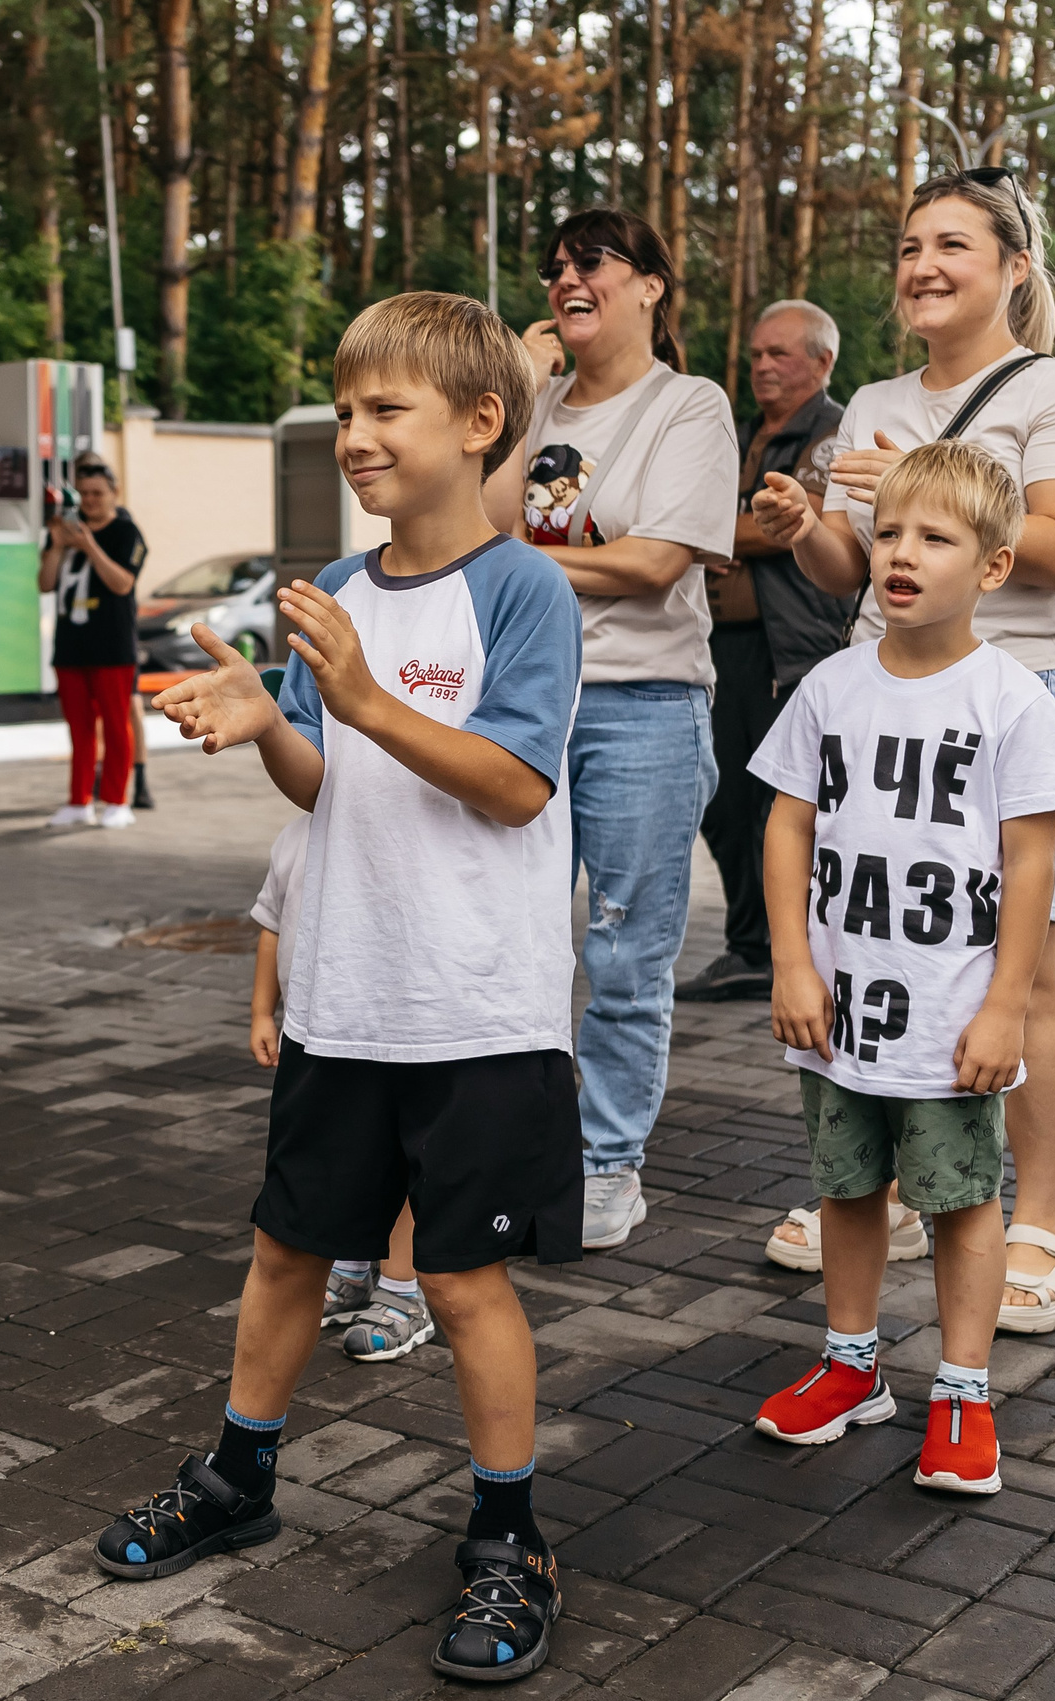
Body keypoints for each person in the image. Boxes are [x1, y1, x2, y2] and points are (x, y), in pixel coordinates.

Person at [112, 293, 582, 1683]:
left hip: (480, 1007)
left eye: (387, 410)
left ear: (479, 423)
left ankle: (510, 1536)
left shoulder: (523, 591)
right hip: (345, 999)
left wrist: (367, 700)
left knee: (462, 1272)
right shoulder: (340, 584)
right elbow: (326, 783)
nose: (354, 433)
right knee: (286, 1248)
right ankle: (240, 1473)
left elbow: (514, 788)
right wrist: (271, 722)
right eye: (346, 407)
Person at [751, 167, 1055, 1333]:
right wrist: (810, 526)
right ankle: (893, 1190)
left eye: (950, 244)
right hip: (881, 702)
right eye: (908, 245)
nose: (920, 265)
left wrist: (918, 486)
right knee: (871, 942)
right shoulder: (869, 397)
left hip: (1015, 699)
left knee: (1022, 967)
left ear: (1015, 267)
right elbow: (860, 575)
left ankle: (1042, 1225)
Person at [748, 440, 1055, 1497]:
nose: (901, 553)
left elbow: (1031, 871)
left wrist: (1002, 1010)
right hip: (841, 1006)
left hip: (950, 1013)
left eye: (934, 538)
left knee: (959, 1201)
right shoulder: (829, 688)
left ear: (990, 567)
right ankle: (852, 1368)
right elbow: (784, 828)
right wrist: (791, 967)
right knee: (847, 1190)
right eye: (887, 531)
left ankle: (960, 1390)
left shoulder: (1011, 702)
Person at [483, 207, 740, 1251]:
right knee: (515, 940)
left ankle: (606, 1164)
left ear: (649, 285)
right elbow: (478, 521)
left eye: (589, 262)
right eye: (551, 269)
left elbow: (651, 566)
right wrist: (513, 385)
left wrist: (518, 560)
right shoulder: (531, 405)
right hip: (529, 703)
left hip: (643, 706)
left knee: (626, 950)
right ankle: (518, 1150)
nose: (564, 280)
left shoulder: (688, 406)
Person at [679, 300, 852, 1006]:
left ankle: (786, 950)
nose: (762, 367)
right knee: (720, 801)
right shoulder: (741, 432)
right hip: (725, 650)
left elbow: (788, 521)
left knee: (782, 807)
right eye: (755, 355)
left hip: (797, 651)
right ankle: (751, 947)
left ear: (822, 362)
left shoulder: (835, 433)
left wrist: (700, 532)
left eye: (780, 353)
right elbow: (729, 516)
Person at [249, 813, 432, 1365]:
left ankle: (403, 1290)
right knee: (346, 1162)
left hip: (391, 1035)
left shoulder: (395, 836)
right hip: (321, 1038)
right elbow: (271, 925)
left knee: (400, 1168)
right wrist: (262, 1011)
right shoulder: (294, 836)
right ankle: (351, 1272)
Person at [40, 461, 149, 830]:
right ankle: (78, 801)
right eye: (83, 494)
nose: (89, 500)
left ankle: (118, 800)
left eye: (97, 493)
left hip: (112, 647)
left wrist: (89, 546)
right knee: (79, 729)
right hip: (70, 646)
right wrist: (56, 547)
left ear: (113, 494)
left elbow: (122, 584)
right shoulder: (65, 530)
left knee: (117, 726)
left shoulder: (125, 532)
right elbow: (44, 583)